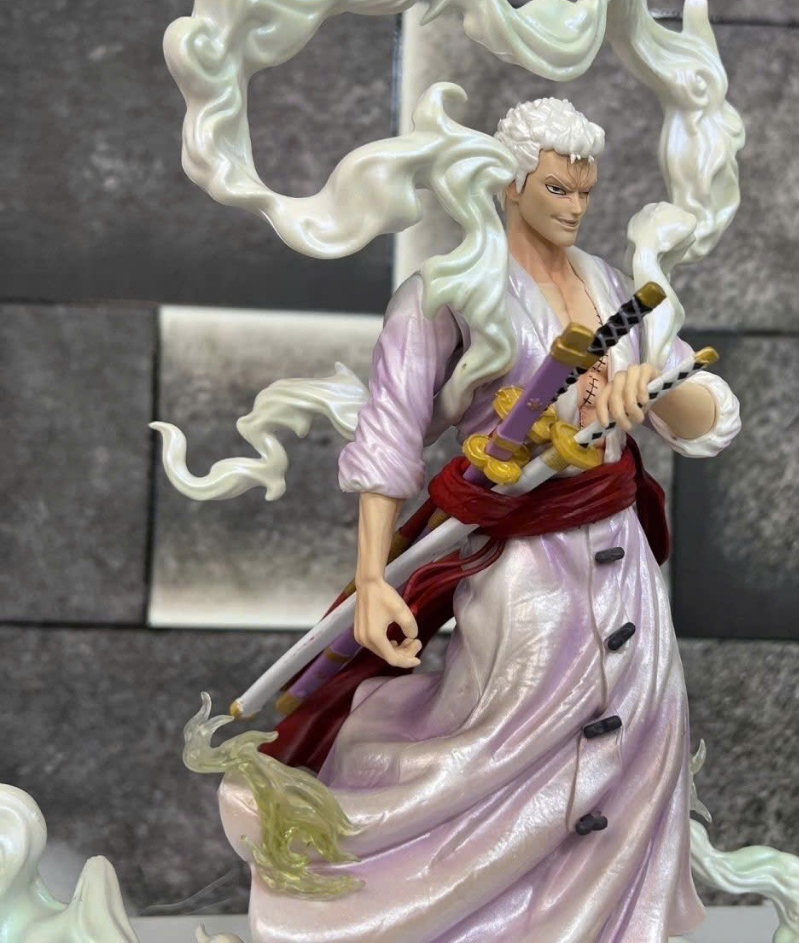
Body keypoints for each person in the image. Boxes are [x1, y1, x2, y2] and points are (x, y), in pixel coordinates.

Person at [219, 98, 741, 943]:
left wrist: (655, 390)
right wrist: (370, 579)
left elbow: (706, 411)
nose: (575, 206)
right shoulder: (451, 292)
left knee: (643, 738)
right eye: (557, 188)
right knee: (511, 746)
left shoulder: (616, 289)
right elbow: (389, 439)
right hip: (525, 571)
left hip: (625, 560)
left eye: (585, 190)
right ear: (510, 184)